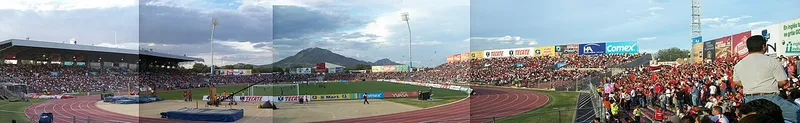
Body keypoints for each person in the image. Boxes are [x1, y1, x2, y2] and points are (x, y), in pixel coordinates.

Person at [733, 35, 799, 122]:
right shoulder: (772, 61)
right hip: (770, 98)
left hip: (749, 100)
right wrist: (769, 83)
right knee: (797, 114)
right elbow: (783, 81)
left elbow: (736, 82)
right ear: (764, 46)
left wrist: (750, 83)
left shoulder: (739, 64)